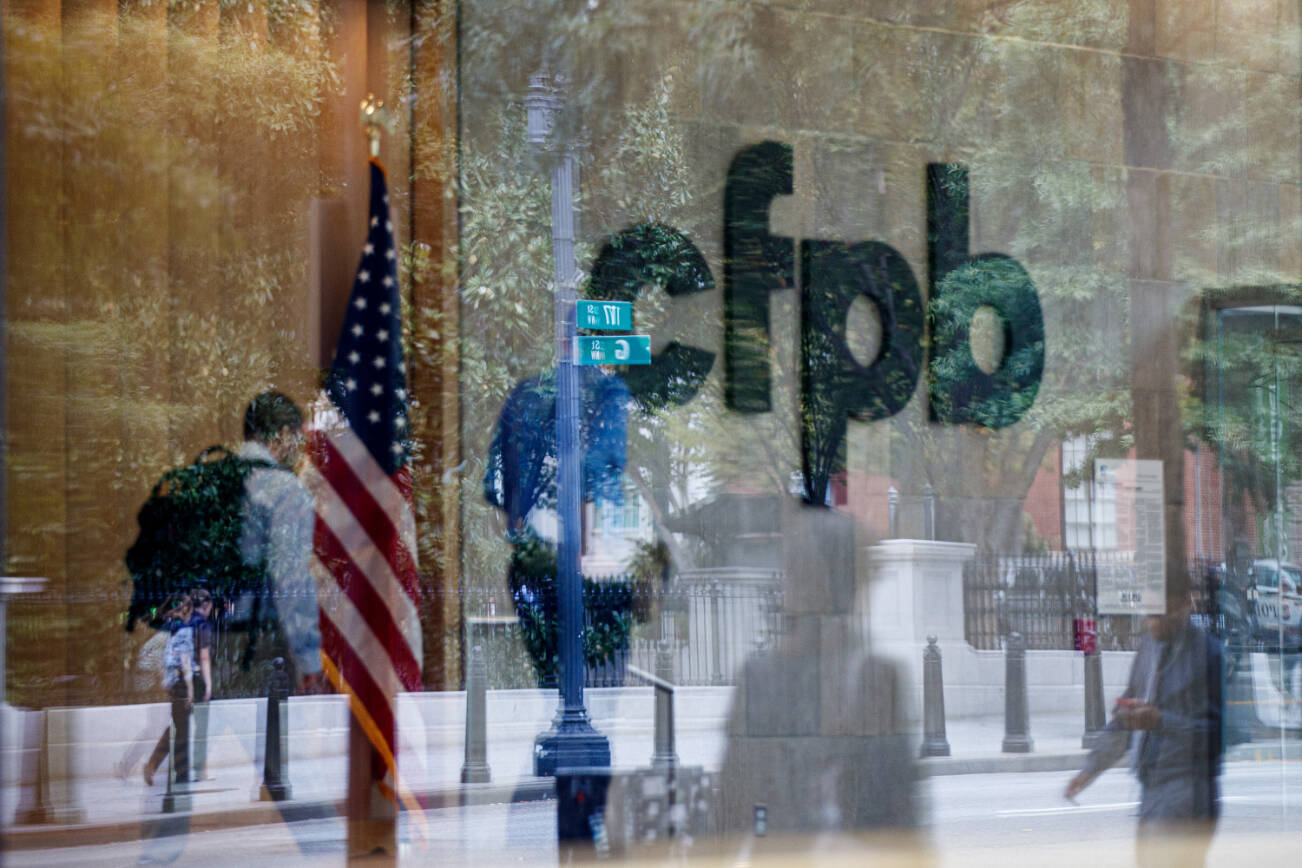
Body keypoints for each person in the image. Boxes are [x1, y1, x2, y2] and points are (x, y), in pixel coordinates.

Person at [1065, 578, 1224, 868]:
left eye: (1157, 615)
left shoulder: (1205, 653)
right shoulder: (1149, 647)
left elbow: (1214, 735)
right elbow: (1125, 716)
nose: (1150, 623)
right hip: (1152, 788)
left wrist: (1161, 720)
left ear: (1180, 606)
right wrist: (1091, 768)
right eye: (1147, 614)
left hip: (1188, 793)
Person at [226, 390, 324, 696]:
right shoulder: (285, 491)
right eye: (295, 437)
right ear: (281, 435)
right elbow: (291, 578)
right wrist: (308, 656)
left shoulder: (215, 483)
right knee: (271, 737)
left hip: (212, 639)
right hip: (265, 643)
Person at [143, 593, 196, 786]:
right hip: (180, 683)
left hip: (172, 683)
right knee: (181, 731)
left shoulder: (170, 627)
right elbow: (185, 661)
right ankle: (179, 774)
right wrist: (190, 689)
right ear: (187, 609)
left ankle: (156, 766)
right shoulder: (183, 629)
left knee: (177, 728)